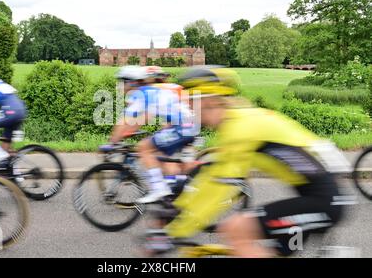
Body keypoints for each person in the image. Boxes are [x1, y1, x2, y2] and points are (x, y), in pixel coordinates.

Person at [146, 68, 352, 257]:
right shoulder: (237, 121)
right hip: (320, 197)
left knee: (237, 229)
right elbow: (213, 175)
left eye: (190, 103)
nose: (188, 109)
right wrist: (179, 209)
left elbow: (219, 187)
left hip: (323, 201)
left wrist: (173, 232)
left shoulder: (239, 130)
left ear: (206, 101)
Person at [109, 66, 198, 204]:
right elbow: (141, 119)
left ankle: (159, 189)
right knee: (161, 156)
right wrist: (128, 131)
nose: (122, 86)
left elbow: (126, 121)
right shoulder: (151, 91)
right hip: (186, 124)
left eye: (123, 82)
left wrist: (113, 142)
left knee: (143, 147)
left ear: (131, 82)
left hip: (182, 126)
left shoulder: (139, 94)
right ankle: (177, 190)